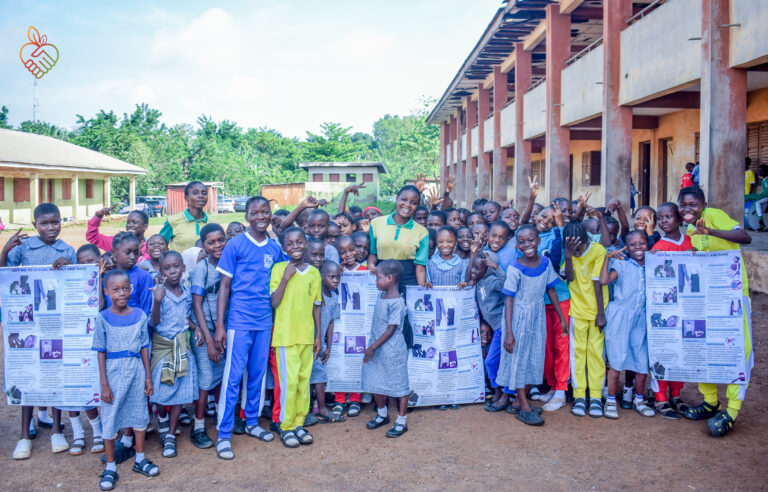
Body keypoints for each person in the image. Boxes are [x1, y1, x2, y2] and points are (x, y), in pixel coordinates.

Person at [2, 203, 76, 459]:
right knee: (26, 375)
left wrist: (68, 265)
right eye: (44, 223)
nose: (50, 228)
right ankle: (24, 434)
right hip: (26, 323)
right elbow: (5, 276)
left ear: (60, 222)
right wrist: (5, 251)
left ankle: (57, 429)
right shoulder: (23, 248)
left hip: (55, 324)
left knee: (54, 373)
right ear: (35, 225)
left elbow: (77, 283)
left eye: (55, 222)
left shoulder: (66, 249)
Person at [678, 185, 753, 437]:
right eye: (683, 205)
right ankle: (711, 402)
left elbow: (745, 237)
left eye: (693, 204)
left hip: (732, 296)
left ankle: (732, 410)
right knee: (703, 347)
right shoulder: (690, 228)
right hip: (706, 297)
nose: (687, 209)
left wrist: (710, 230)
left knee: (737, 349)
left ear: (703, 204)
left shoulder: (713, 216)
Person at [215, 196, 283, 459]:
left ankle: (252, 422)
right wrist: (220, 325)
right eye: (255, 213)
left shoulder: (274, 247)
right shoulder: (236, 244)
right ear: (247, 217)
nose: (261, 216)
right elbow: (224, 287)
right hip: (240, 321)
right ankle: (223, 434)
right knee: (233, 377)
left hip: (265, 321)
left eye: (265, 212)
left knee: (257, 375)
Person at [94, 270, 158, 490]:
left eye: (126, 288)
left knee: (139, 415)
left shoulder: (140, 315)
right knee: (110, 418)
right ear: (106, 291)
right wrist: (104, 383)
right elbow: (100, 351)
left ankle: (140, 459)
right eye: (116, 289)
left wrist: (148, 376)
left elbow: (143, 347)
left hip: (136, 371)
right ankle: (110, 466)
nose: (122, 293)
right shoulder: (102, 318)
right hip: (112, 373)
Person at [497, 225, 567, 426]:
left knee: (533, 356)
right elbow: (509, 300)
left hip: (537, 315)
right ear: (517, 245)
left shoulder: (545, 263)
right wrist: (509, 332)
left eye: (531, 240)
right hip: (518, 317)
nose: (527, 244)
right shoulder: (514, 268)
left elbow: (552, 290)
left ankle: (519, 403)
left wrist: (561, 317)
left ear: (538, 240)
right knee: (518, 358)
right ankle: (524, 406)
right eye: (522, 241)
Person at [269, 227, 322, 448]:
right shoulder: (279, 268)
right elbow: (274, 302)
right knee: (288, 383)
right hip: (285, 337)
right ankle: (286, 426)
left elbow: (316, 306)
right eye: (290, 244)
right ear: (284, 248)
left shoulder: (314, 273)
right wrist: (286, 278)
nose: (295, 247)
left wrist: (318, 336)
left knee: (303, 382)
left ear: (306, 244)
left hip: (307, 337)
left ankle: (299, 423)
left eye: (299, 242)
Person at [600, 232, 655, 420]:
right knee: (616, 361)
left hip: (640, 318)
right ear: (627, 247)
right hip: (620, 317)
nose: (638, 247)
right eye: (633, 244)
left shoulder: (653, 266)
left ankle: (639, 400)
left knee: (641, 361)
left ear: (648, 244)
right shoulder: (622, 265)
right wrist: (607, 258)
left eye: (642, 243)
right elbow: (604, 280)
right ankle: (610, 400)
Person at [57, 244, 105, 456]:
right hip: (70, 342)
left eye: (92, 261)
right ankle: (77, 433)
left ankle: (97, 431)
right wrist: (66, 270)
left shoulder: (105, 281)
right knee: (70, 391)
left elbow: (100, 308)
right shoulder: (74, 282)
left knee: (88, 390)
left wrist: (101, 276)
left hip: (92, 344)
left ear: (100, 260)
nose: (88, 265)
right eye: (83, 263)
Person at [367, 185, 429, 348]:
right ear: (396, 199)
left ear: (417, 206)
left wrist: (421, 288)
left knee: (405, 319)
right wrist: (371, 264)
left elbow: (420, 266)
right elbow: (373, 253)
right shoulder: (377, 223)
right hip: (382, 276)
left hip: (407, 278)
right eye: (404, 199)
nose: (407, 205)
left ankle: (406, 357)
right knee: (382, 316)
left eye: (413, 202)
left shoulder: (421, 232)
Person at [149, 251, 197, 459]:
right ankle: (161, 418)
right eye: (167, 268)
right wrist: (157, 301)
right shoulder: (158, 292)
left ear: (183, 268)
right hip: (163, 348)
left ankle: (170, 434)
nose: (172, 271)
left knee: (179, 393)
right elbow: (154, 322)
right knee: (160, 392)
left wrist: (198, 329)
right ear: (160, 271)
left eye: (176, 266)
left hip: (182, 347)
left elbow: (186, 318)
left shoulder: (186, 293)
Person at [649, 202, 691, 418]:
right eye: (661, 217)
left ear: (680, 218)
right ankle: (660, 397)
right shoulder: (657, 248)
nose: (664, 220)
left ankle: (676, 394)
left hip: (687, 309)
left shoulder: (691, 242)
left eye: (668, 216)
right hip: (665, 310)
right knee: (663, 352)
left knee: (681, 351)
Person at [563, 221, 608, 418]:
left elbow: (597, 283)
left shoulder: (598, 250)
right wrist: (568, 255)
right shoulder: (570, 252)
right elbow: (571, 277)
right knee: (577, 353)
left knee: (597, 353)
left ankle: (596, 396)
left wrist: (600, 314)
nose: (577, 250)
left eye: (579, 246)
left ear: (585, 239)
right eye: (572, 246)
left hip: (597, 310)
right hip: (577, 310)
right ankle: (580, 395)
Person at [362, 260, 410, 438]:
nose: (376, 281)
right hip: (377, 348)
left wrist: (372, 347)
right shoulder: (381, 295)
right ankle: (382, 414)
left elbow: (391, 329)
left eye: (379, 278)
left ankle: (401, 421)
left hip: (392, 350)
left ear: (389, 279)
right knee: (375, 380)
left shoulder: (397, 302)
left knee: (399, 384)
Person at [190, 224, 227, 449]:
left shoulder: (229, 265)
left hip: (225, 330)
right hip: (206, 334)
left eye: (220, 240)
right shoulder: (201, 268)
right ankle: (198, 428)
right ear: (203, 245)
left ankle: (221, 417)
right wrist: (210, 340)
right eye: (211, 242)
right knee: (205, 380)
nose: (217, 245)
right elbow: (196, 305)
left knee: (222, 377)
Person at [317, 261, 345, 423]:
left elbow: (331, 322)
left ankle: (317, 408)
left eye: (338, 277)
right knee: (318, 375)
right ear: (321, 277)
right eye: (331, 277)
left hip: (322, 343)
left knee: (318, 375)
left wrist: (329, 346)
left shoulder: (334, 297)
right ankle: (322, 409)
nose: (336, 280)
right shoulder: (316, 294)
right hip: (311, 341)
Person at [159, 181, 209, 252]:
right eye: (195, 193)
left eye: (204, 193)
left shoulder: (213, 223)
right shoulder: (173, 221)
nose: (201, 196)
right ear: (186, 197)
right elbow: (159, 245)